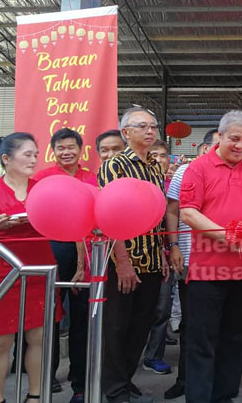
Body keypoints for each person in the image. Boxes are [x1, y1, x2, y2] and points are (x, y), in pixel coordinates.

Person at [180, 110, 242, 403]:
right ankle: (199, 397)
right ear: (219, 136)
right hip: (207, 272)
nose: (240, 145)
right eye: (234, 138)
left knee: (236, 339)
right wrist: (225, 235)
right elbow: (188, 212)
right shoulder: (198, 168)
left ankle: (224, 395)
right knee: (202, 341)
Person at [98, 108, 167, 403]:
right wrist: (123, 262)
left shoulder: (154, 167)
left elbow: (158, 215)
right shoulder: (115, 166)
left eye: (153, 126)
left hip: (151, 258)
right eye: (142, 126)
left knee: (141, 325)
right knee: (117, 326)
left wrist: (163, 253)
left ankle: (125, 380)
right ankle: (113, 389)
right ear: (125, 132)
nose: (150, 131)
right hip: (123, 261)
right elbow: (108, 216)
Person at [33, 128, 97, 403]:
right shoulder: (42, 179)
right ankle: (46, 376)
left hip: (87, 254)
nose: (66, 152)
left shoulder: (91, 178)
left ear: (81, 150)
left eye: (72, 147)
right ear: (53, 151)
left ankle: (80, 382)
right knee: (50, 317)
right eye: (61, 148)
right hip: (52, 251)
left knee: (82, 320)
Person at [0, 133, 63, 403]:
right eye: (28, 154)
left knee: (39, 336)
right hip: (4, 272)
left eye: (36, 154)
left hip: (41, 270)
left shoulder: (42, 189)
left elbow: (61, 222)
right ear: (6, 159)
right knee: (2, 341)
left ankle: (35, 396)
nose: (34, 160)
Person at [163, 128, 220, 400]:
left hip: (223, 262)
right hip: (189, 259)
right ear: (205, 148)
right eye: (216, 146)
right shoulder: (185, 172)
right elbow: (172, 210)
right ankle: (185, 379)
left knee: (218, 325)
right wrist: (174, 245)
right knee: (190, 323)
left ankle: (216, 381)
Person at [142, 140, 174, 376]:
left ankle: (154, 355)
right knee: (137, 312)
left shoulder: (173, 187)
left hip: (165, 255)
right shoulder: (139, 184)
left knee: (162, 309)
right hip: (139, 256)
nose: (160, 160)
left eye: (164, 156)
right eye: (155, 155)